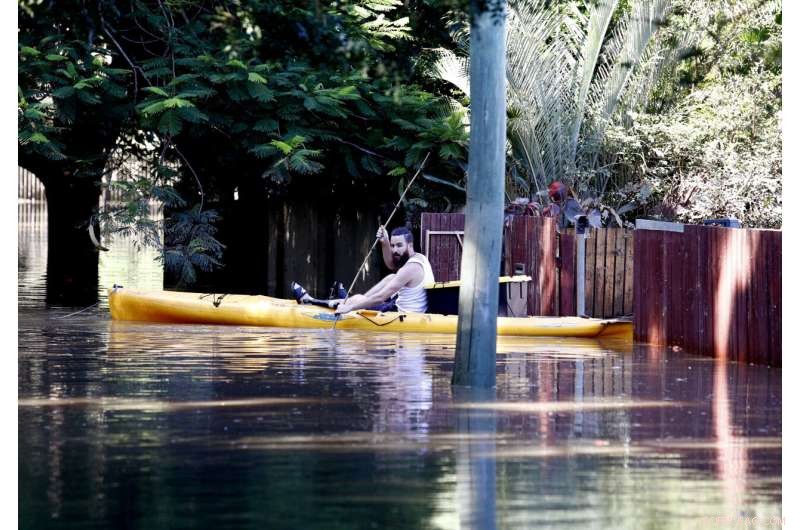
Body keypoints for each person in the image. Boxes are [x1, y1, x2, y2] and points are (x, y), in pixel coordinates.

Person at [290, 226, 435, 314]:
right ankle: (356, 299)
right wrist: (384, 242)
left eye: (399, 245)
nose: (394, 250)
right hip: (404, 306)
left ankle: (311, 301)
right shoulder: (419, 258)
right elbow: (392, 265)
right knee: (390, 278)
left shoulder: (410, 268)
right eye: (392, 246)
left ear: (410, 245)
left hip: (403, 314)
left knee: (357, 301)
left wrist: (351, 308)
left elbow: (381, 297)